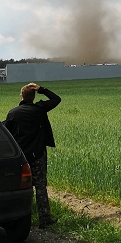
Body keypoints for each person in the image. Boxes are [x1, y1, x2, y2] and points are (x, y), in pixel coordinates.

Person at [4, 82, 61, 229]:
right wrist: (41, 89)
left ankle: (17, 217)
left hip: (21, 157)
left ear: (21, 96)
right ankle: (44, 218)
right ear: (34, 96)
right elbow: (56, 99)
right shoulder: (39, 109)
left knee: (19, 187)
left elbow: (6, 133)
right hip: (38, 154)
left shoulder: (13, 113)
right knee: (40, 186)